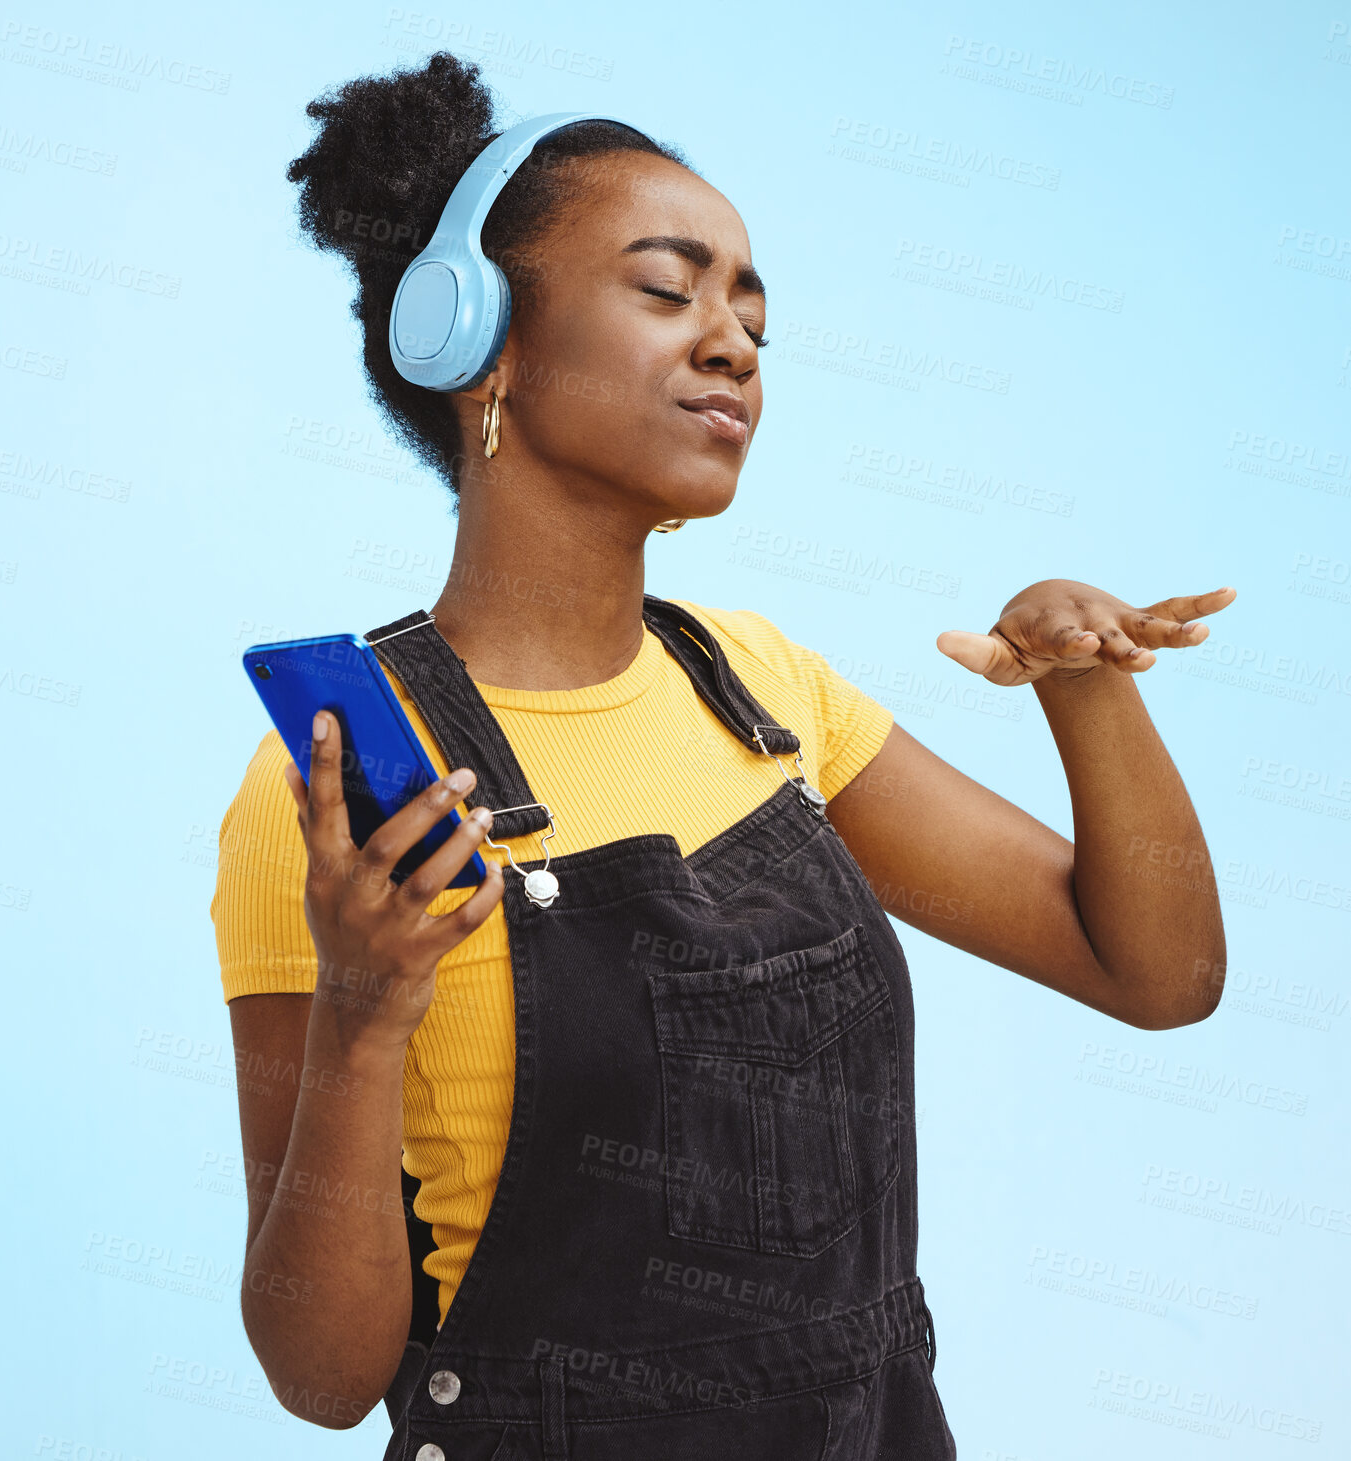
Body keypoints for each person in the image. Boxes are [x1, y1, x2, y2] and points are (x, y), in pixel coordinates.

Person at [211, 51, 1231, 1458]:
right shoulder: (328, 800)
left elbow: (1156, 971)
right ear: (475, 339)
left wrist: (1084, 692)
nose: (732, 340)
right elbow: (321, 1375)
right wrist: (365, 1001)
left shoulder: (762, 686)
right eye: (665, 287)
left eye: (750, 311)